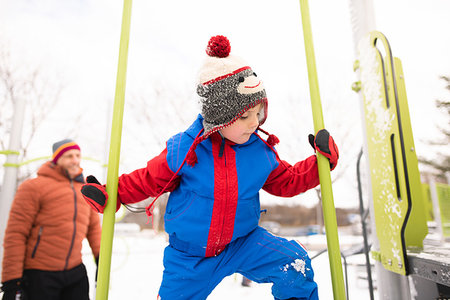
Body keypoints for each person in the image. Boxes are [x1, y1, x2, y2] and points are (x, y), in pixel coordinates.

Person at [81, 35, 339, 300]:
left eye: (259, 113)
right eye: (245, 116)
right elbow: (147, 179)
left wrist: (320, 163)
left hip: (243, 243)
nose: (255, 123)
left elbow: (287, 180)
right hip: (190, 256)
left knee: (293, 262)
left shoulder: (259, 152)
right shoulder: (186, 150)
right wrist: (112, 195)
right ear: (220, 118)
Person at [1, 139, 102, 300]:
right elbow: (16, 234)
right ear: (56, 159)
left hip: (75, 272)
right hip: (40, 274)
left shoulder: (84, 190)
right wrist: (11, 281)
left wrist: (100, 259)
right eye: (69, 156)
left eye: (77, 155)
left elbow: (94, 229)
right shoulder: (33, 187)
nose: (75, 160)